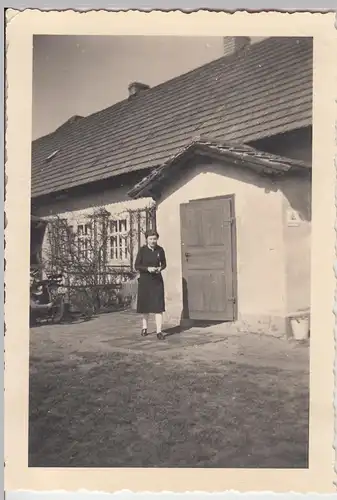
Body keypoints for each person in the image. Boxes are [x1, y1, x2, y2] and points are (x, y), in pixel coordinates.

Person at [135, 229, 167, 340]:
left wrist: (160, 268)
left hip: (157, 281)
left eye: (155, 239)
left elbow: (164, 264)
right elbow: (137, 266)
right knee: (145, 306)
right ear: (147, 239)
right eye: (151, 239)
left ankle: (159, 331)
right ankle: (144, 327)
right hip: (145, 281)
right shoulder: (142, 251)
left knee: (158, 306)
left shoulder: (160, 250)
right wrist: (148, 269)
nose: (153, 241)